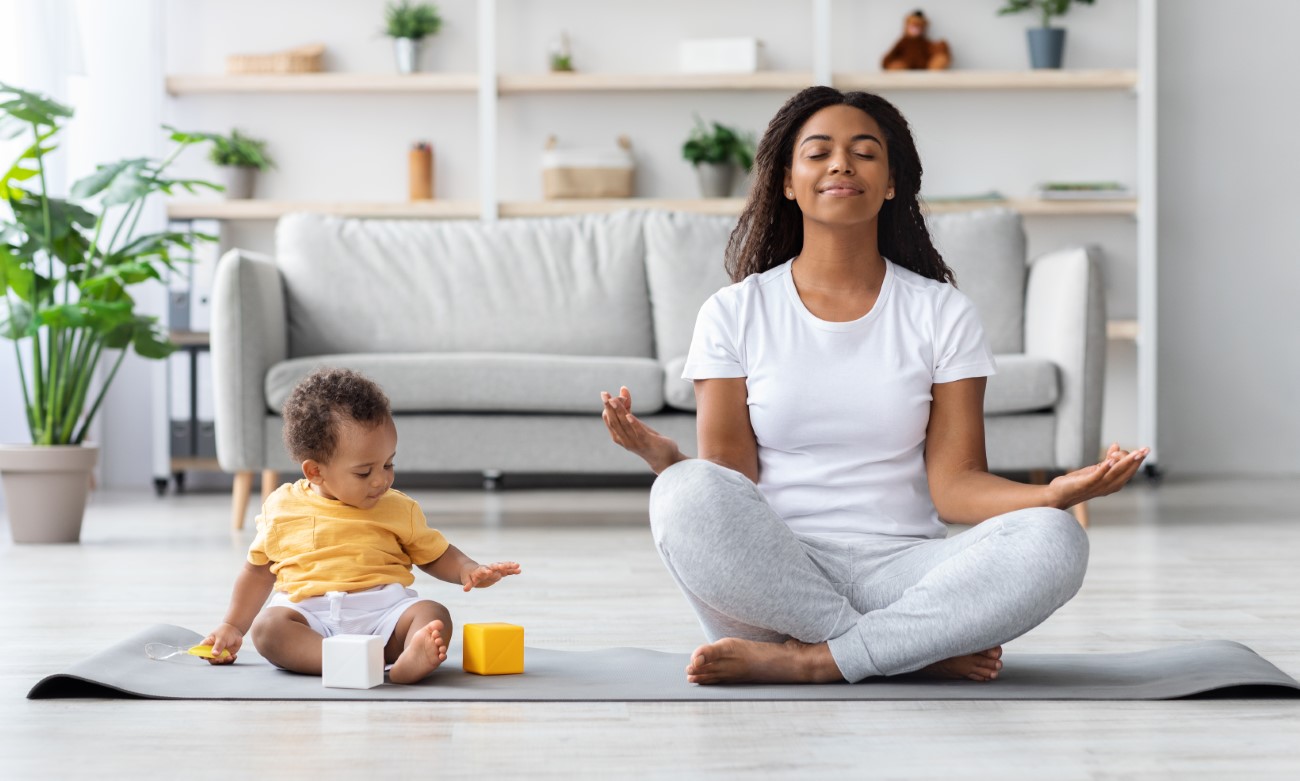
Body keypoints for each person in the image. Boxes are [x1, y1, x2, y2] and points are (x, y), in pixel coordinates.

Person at [600, 86, 1147, 686]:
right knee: (682, 492)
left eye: (864, 152)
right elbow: (731, 482)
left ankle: (816, 659)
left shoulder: (942, 312)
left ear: (890, 183)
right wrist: (669, 461)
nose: (841, 163)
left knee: (1055, 540)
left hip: (906, 570)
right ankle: (905, 648)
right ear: (787, 181)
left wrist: (1053, 495)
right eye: (819, 152)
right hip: (777, 578)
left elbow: (956, 488)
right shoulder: (733, 312)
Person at [204, 368, 521, 684]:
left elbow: (435, 554)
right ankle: (352, 661)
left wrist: (468, 569)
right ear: (315, 471)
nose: (382, 479)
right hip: (311, 617)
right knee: (268, 629)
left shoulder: (399, 508)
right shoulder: (282, 506)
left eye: (388, 464)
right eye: (364, 472)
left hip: (383, 611)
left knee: (433, 614)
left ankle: (405, 657)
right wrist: (233, 626)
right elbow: (257, 573)